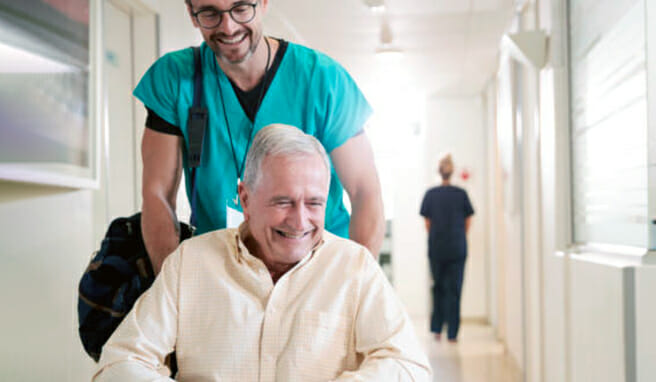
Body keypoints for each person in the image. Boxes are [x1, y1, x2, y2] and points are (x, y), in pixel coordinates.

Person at [93, 125, 431, 381]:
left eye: (314, 203)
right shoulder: (191, 262)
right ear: (246, 198)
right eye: (283, 202)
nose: (300, 221)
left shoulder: (354, 267)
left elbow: (408, 366)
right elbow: (119, 362)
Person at [138, 0, 384, 275]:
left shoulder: (322, 79)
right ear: (192, 14)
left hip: (319, 269)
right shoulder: (176, 78)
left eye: (241, 8)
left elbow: (365, 191)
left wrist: (358, 288)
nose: (228, 27)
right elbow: (157, 194)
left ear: (264, 3)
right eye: (210, 13)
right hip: (221, 270)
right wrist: (172, 287)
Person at [419, 154, 474, 343]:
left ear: (439, 171)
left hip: (437, 247)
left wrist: (437, 236)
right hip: (458, 248)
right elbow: (468, 221)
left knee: (438, 288)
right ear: (452, 172)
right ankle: (453, 333)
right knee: (455, 290)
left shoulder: (430, 195)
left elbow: (428, 223)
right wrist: (459, 237)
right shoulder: (461, 194)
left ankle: (437, 329)